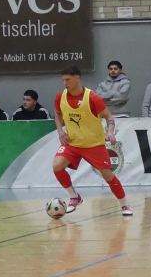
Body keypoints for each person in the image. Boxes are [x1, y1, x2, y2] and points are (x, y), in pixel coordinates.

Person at [52, 65, 131, 217]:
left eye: (68, 80)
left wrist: (110, 133)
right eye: (63, 80)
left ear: (77, 79)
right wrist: (60, 130)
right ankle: (74, 197)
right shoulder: (60, 97)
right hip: (73, 143)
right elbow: (58, 113)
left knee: (108, 175)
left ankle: (125, 205)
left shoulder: (92, 98)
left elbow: (109, 117)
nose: (65, 83)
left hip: (93, 145)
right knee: (57, 165)